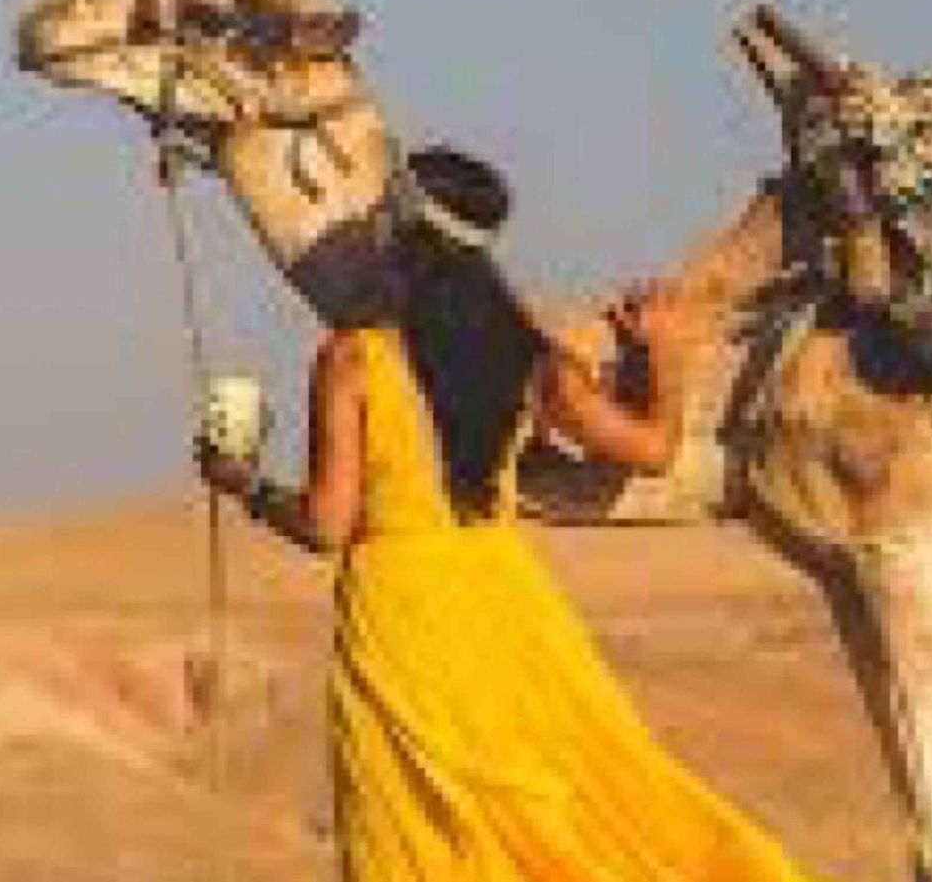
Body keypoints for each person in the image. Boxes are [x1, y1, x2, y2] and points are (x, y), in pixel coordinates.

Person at [197, 145, 818, 881]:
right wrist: (664, 355)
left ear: (399, 233)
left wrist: (245, 484)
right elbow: (651, 449)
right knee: (587, 799)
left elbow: (328, 523)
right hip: (507, 603)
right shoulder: (533, 357)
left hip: (402, 619)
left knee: (419, 834)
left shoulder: (353, 359)